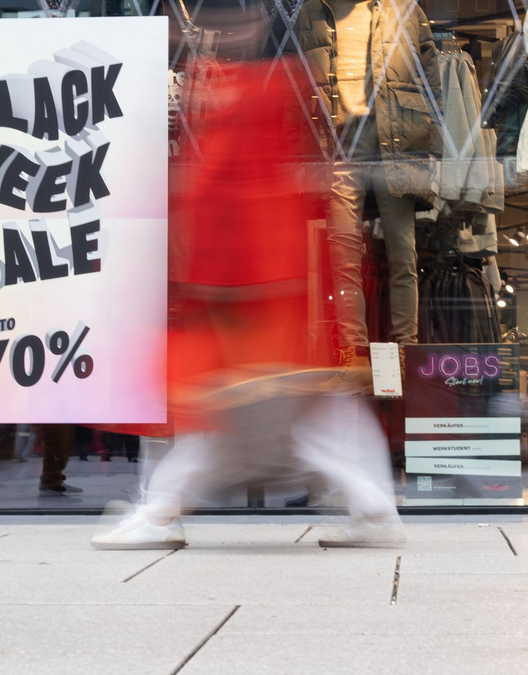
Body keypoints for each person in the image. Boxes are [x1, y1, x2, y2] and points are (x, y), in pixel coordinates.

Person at [90, 57, 403, 550]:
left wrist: (206, 287)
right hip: (265, 286)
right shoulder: (271, 99)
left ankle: (160, 511)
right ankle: (372, 506)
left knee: (236, 414)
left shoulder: (239, 101)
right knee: (279, 416)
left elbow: (224, 200)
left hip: (243, 292)